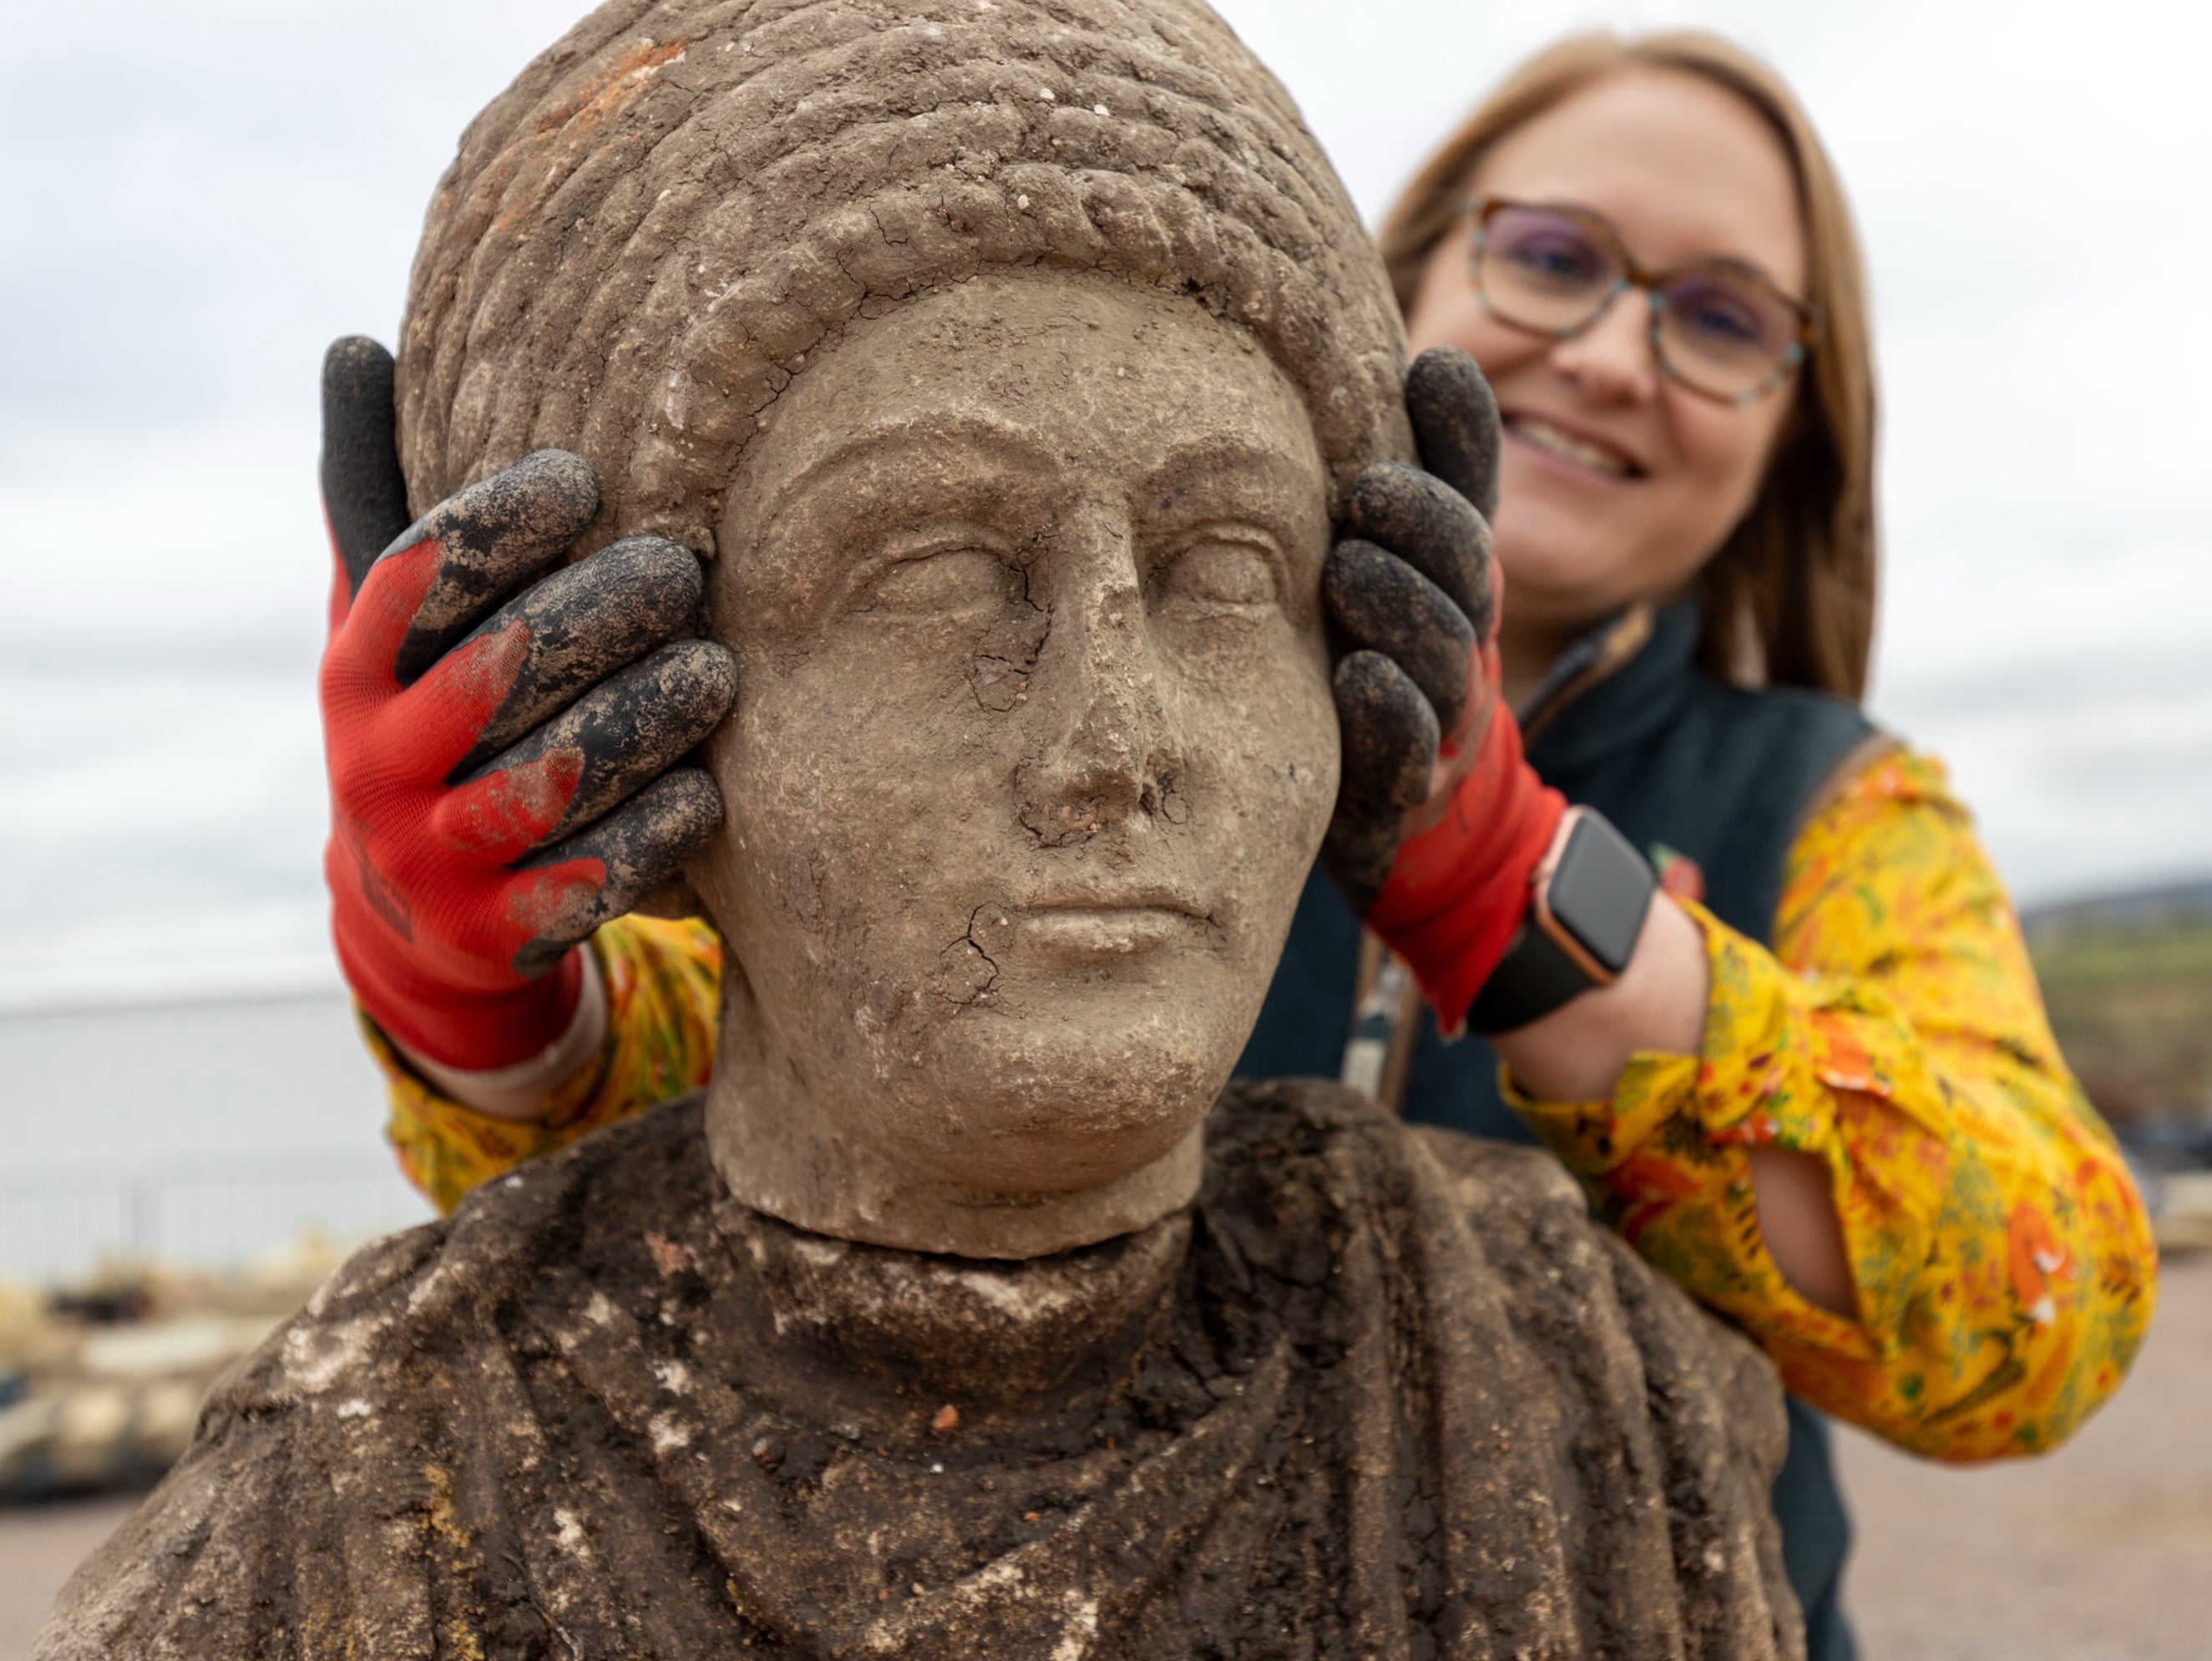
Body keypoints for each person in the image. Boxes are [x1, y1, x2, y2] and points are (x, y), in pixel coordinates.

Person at [313, 27, 2154, 1661]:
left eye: (1722, 315)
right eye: (1551, 257)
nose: (1609, 349)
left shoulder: (1833, 803)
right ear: (1414, 266)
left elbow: (2031, 1312)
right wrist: (471, 980)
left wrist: (1516, 892)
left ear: (1792, 425)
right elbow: (665, 1109)